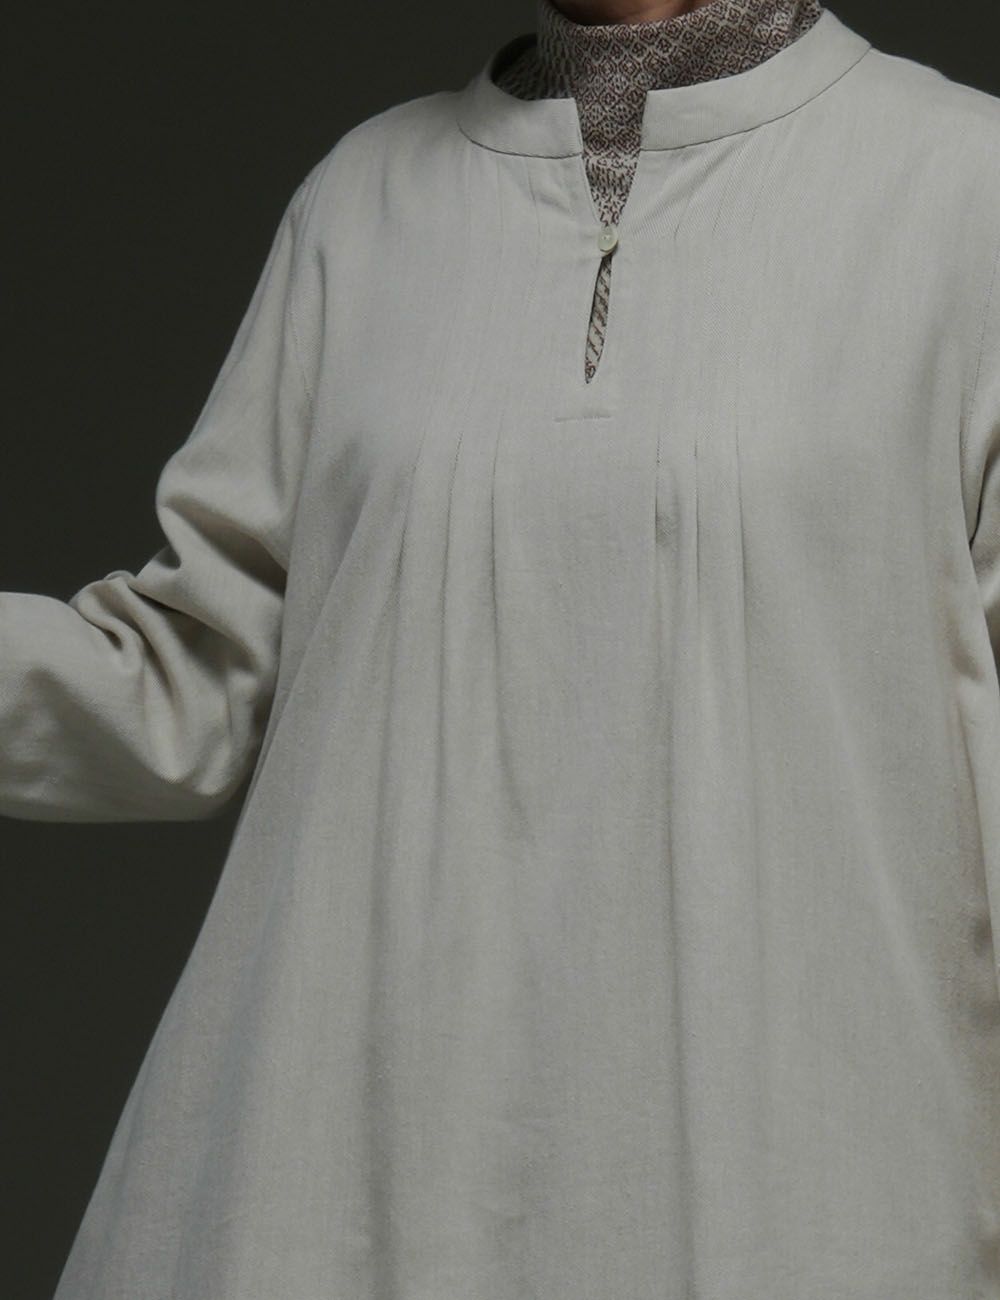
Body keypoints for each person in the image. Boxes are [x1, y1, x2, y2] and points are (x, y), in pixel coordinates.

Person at [4, 0, 1000, 1295]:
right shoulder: (360, 202)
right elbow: (185, 679)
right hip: (347, 1171)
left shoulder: (961, 186)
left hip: (802, 1181)